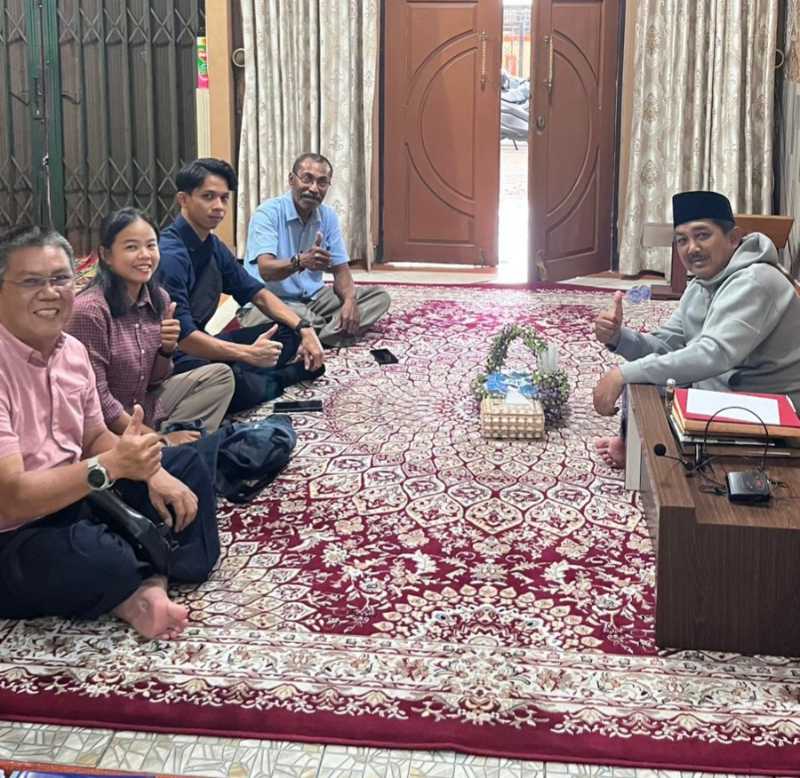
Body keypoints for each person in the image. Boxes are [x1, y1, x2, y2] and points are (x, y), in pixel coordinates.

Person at [0, 226, 219, 640]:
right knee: (93, 555)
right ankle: (141, 574)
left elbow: (94, 437)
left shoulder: (71, 351)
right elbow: (12, 497)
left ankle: (146, 577)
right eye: (31, 282)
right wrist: (111, 466)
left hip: (75, 493)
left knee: (186, 466)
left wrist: (150, 470)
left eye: (60, 278)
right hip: (13, 529)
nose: (50, 293)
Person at [593, 190, 800, 468]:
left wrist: (622, 374)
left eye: (702, 235)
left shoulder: (755, 280)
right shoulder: (702, 283)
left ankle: (649, 457)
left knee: (642, 377)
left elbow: (712, 354)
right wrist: (619, 338)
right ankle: (635, 444)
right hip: (720, 391)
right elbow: (668, 345)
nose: (691, 248)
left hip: (770, 407)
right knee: (648, 374)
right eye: (682, 240)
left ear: (733, 237)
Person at [158, 158, 325, 414]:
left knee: (287, 332)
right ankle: (279, 377)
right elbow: (185, 339)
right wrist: (245, 354)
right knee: (228, 381)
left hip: (204, 345)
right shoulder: (170, 255)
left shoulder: (213, 246)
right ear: (183, 199)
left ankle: (251, 370)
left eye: (224, 198)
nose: (218, 207)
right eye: (208, 197)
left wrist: (305, 328)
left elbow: (257, 293)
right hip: (171, 360)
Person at [68, 207, 235, 446]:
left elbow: (155, 382)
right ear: (106, 255)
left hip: (144, 406)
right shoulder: (90, 311)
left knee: (219, 376)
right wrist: (159, 438)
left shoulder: (159, 299)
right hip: (105, 427)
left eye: (151, 245)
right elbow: (98, 400)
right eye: (131, 247)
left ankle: (175, 444)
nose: (145, 255)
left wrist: (166, 350)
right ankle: (165, 447)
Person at [241, 152, 390, 346]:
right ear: (291, 180)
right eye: (307, 179)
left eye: (322, 182)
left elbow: (341, 270)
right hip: (268, 302)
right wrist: (300, 261)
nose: (313, 188)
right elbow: (266, 270)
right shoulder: (267, 214)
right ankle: (327, 332)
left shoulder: (328, 216)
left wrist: (350, 301)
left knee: (379, 297)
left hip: (313, 299)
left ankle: (310, 335)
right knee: (299, 315)